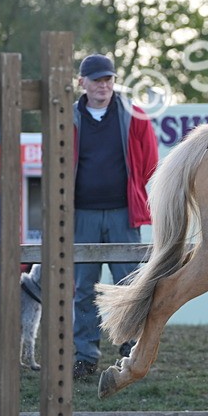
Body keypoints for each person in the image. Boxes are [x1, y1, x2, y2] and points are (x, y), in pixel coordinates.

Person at [71, 54, 158, 380]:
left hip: (124, 214)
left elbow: (149, 162)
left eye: (108, 79)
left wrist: (133, 193)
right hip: (82, 214)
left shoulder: (135, 115)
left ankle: (130, 349)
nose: (103, 85)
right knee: (83, 288)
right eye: (96, 80)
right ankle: (85, 356)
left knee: (129, 285)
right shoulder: (67, 117)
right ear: (82, 82)